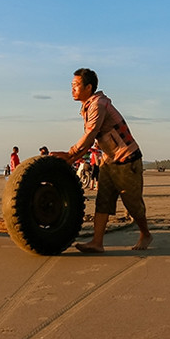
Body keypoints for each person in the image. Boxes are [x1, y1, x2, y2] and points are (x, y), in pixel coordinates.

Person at [52, 68, 151, 253]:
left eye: (76, 85)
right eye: (71, 86)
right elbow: (92, 140)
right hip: (109, 160)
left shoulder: (98, 104)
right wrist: (72, 157)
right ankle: (97, 242)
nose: (72, 89)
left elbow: (90, 135)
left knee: (132, 203)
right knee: (103, 200)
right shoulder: (89, 105)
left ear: (88, 87)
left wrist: (70, 154)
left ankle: (145, 234)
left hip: (126, 159)